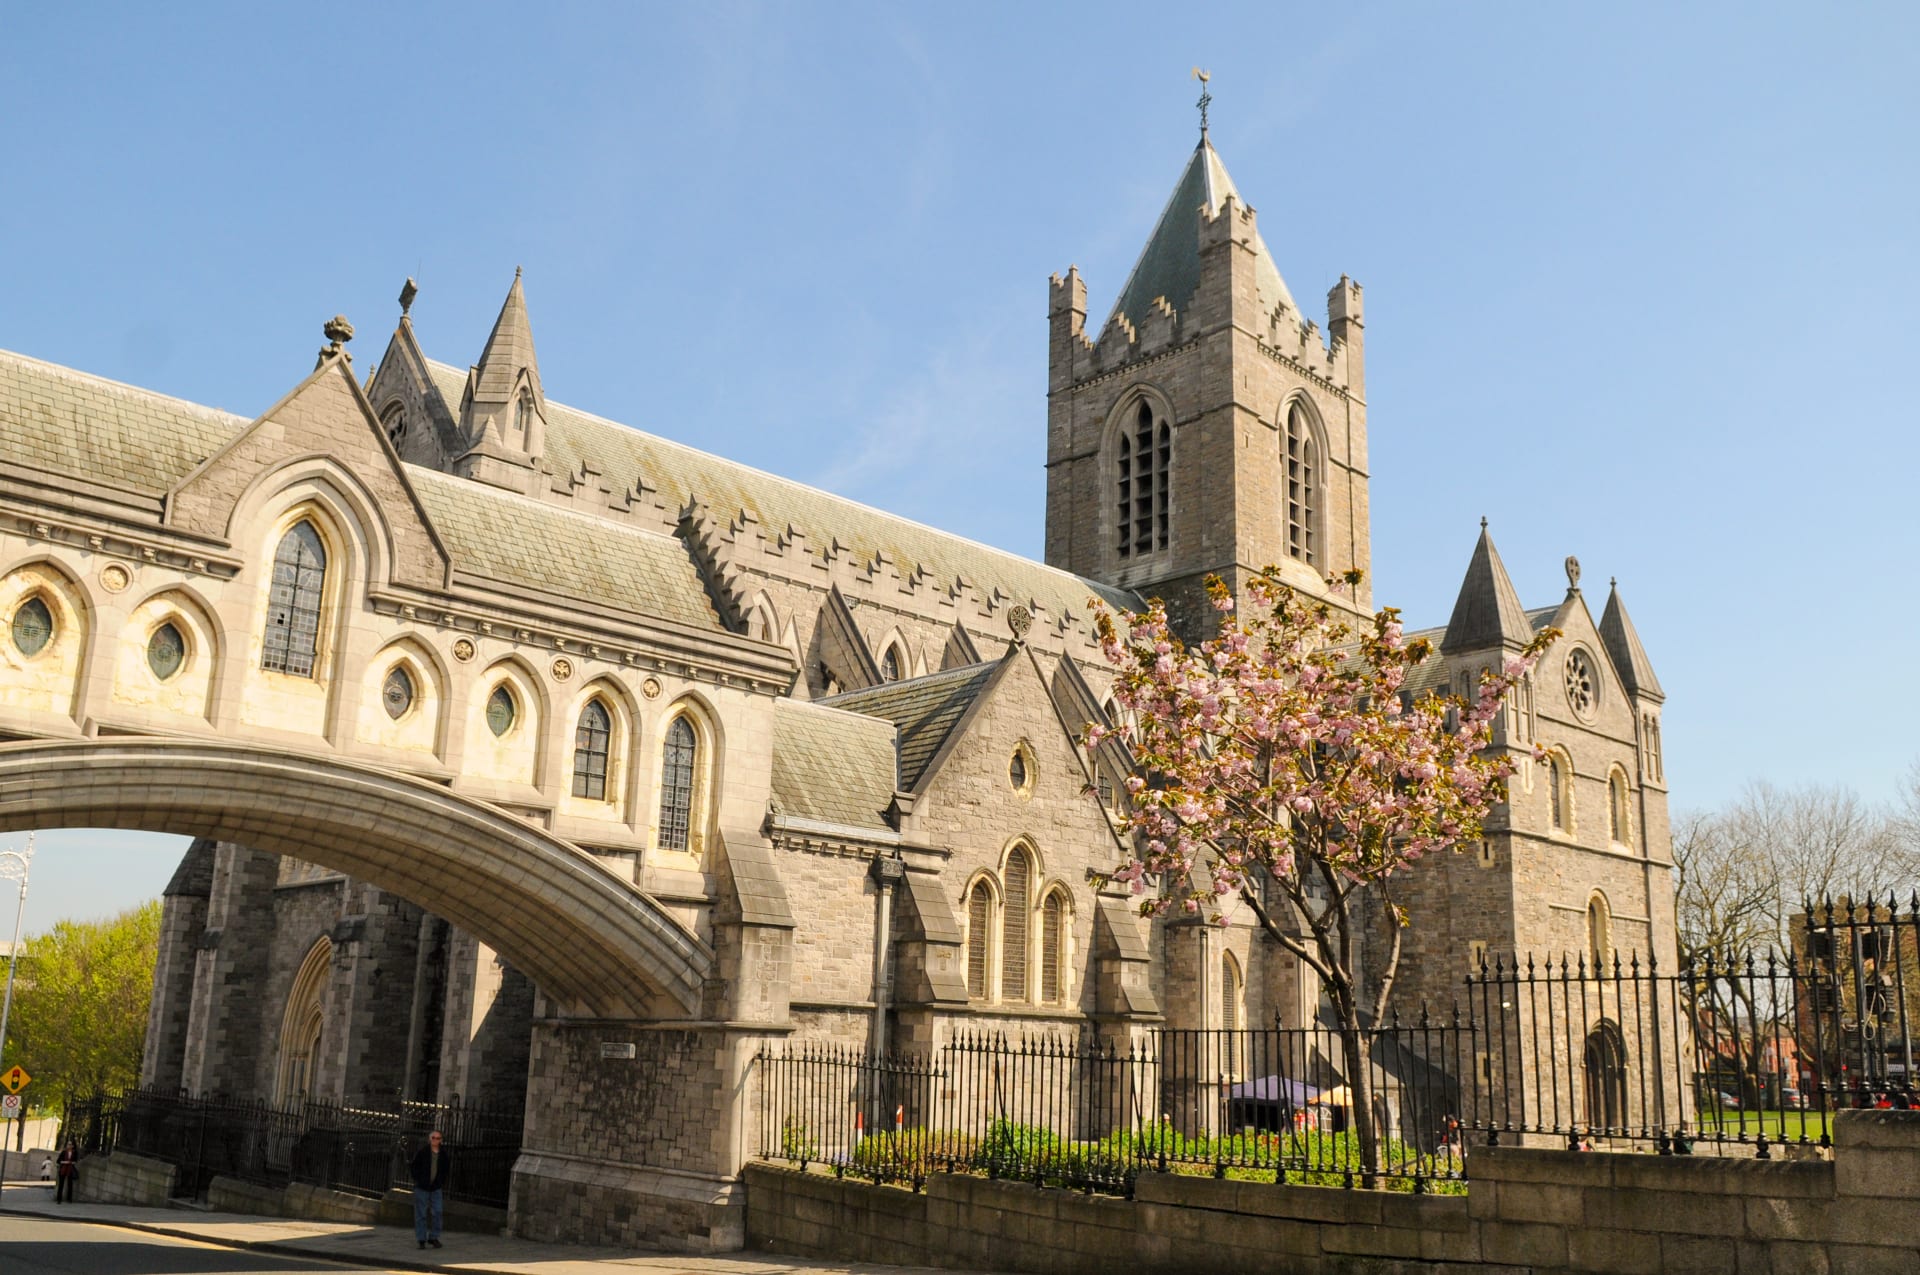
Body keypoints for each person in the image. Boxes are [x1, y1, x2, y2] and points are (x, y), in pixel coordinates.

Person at [408, 1130, 449, 1249]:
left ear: (441, 1140)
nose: (436, 1140)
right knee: (421, 1214)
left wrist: (441, 1181)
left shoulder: (444, 1154)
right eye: (433, 1138)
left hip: (436, 1187)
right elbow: (414, 1167)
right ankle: (421, 1239)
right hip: (422, 1187)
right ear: (429, 1139)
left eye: (438, 1138)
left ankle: (433, 1237)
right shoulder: (423, 1152)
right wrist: (418, 1180)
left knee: (438, 1211)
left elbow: (446, 1169)